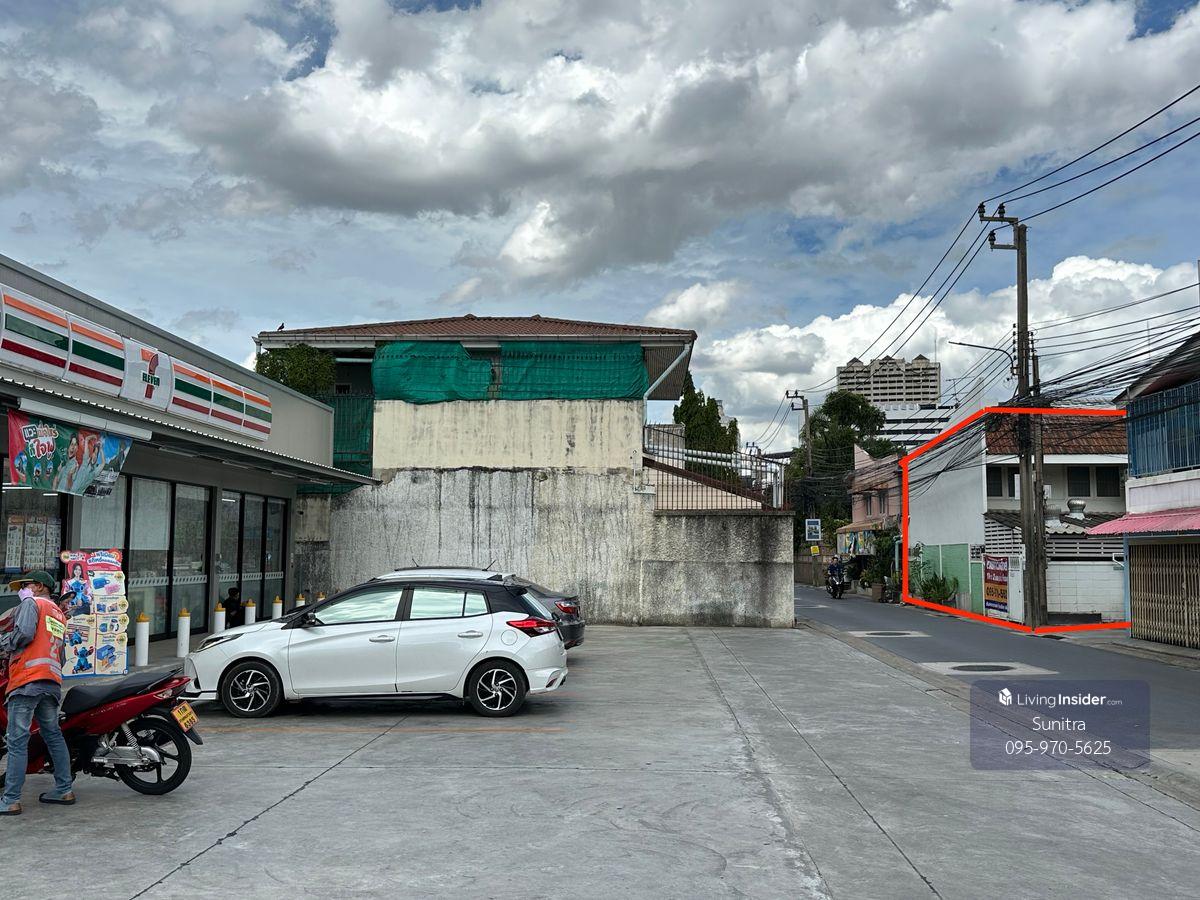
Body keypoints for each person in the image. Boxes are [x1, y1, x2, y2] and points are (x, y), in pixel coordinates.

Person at [1, 570, 75, 815]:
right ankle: (64, 789)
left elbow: (23, 634)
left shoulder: (32, 604)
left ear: (41, 586)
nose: (23, 590)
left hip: (27, 680)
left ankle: (11, 799)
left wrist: (3, 644)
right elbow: (61, 654)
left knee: (17, 741)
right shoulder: (57, 613)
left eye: (27, 585)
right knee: (53, 735)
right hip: (50, 681)